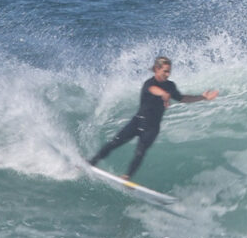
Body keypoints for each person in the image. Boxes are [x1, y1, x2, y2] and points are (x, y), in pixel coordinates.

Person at [88, 56, 219, 179]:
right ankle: (91, 163)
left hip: (152, 127)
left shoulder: (170, 85)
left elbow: (182, 98)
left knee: (140, 152)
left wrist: (203, 98)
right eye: (165, 71)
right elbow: (153, 90)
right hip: (137, 122)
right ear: (157, 69)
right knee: (114, 143)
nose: (167, 74)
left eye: (169, 72)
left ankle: (127, 177)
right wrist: (163, 94)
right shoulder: (149, 83)